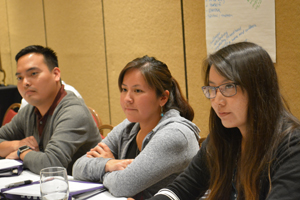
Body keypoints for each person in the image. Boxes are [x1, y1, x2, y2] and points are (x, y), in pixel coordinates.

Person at [144, 42, 300, 200]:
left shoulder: (291, 145)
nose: (218, 101)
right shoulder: (223, 138)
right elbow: (182, 188)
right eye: (212, 89)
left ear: (258, 88)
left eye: (228, 87)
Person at [72, 55, 200, 199]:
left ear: (163, 98)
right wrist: (109, 163)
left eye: (137, 91)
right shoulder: (130, 126)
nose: (127, 98)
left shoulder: (175, 134)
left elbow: (122, 186)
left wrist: (106, 169)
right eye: (124, 89)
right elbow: (78, 167)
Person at [0, 45, 102, 175]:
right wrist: (18, 145)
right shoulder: (30, 110)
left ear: (55, 74)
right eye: (20, 77)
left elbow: (51, 164)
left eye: (33, 74)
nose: (25, 82)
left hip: (83, 191)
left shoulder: (73, 112)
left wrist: (22, 152)